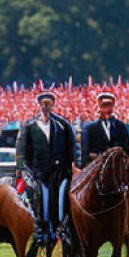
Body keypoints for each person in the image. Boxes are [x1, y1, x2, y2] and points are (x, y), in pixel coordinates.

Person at [15, 90, 76, 244]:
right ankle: (41, 228)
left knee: (61, 198)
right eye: (44, 104)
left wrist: (71, 165)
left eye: (49, 104)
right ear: (40, 105)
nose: (46, 107)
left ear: (53, 105)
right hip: (38, 173)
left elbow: (71, 149)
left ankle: (62, 227)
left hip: (57, 173)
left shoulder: (61, 126)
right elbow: (22, 150)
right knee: (41, 199)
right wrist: (23, 168)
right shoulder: (30, 126)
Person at [80, 91, 129, 163]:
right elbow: (85, 154)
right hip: (96, 168)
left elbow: (127, 150)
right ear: (99, 107)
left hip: (118, 167)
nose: (107, 109)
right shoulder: (90, 128)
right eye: (104, 106)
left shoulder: (121, 127)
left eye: (109, 106)